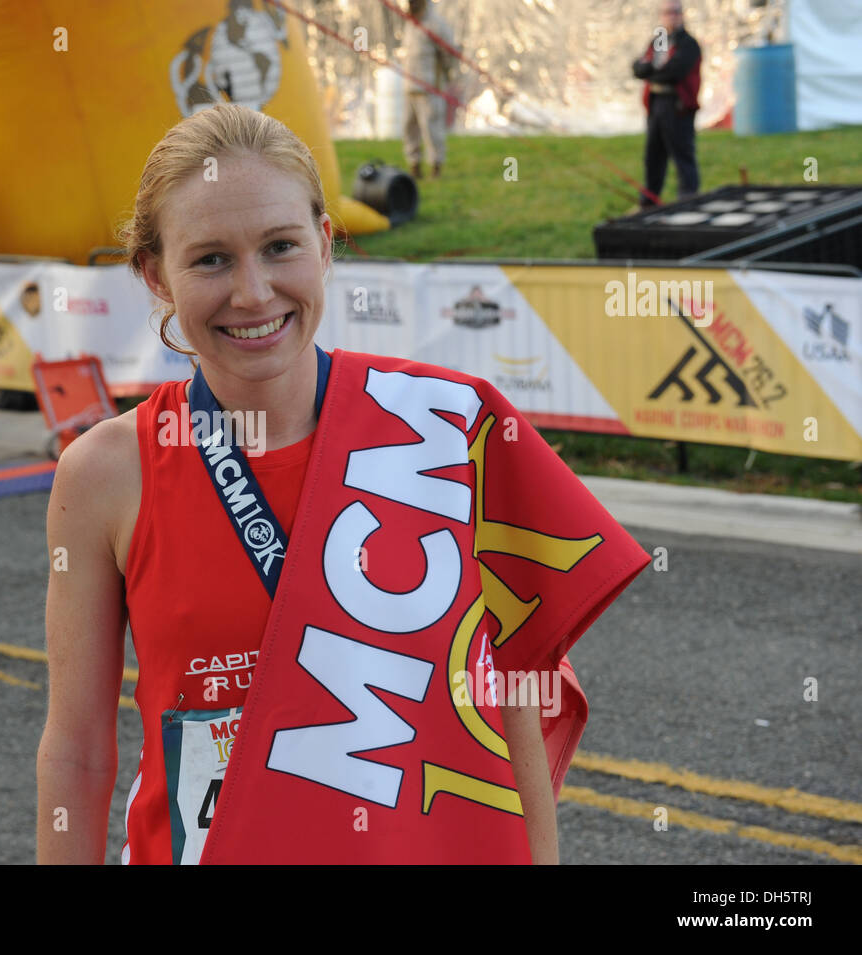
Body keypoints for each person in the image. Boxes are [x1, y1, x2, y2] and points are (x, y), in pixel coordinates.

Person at [36, 103, 650, 865]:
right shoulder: (103, 473)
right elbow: (78, 748)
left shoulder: (448, 430)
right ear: (156, 274)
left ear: (324, 245)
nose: (254, 292)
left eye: (280, 246)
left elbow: (515, 695)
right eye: (211, 260)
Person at [632, 1, 702, 207]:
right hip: (656, 103)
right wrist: (652, 69)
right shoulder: (660, 40)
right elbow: (639, 67)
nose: (671, 17)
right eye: (667, 13)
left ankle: (688, 198)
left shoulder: (688, 43)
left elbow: (673, 72)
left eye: (675, 13)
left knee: (682, 153)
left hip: (677, 104)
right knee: (653, 155)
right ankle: (649, 201)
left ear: (682, 15)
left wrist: (651, 71)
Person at [402, 0, 456, 180]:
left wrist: (447, 76)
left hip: (429, 87)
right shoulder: (409, 22)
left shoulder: (436, 24)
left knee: (432, 130)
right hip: (410, 86)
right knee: (410, 129)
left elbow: (449, 53)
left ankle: (435, 168)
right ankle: (414, 166)